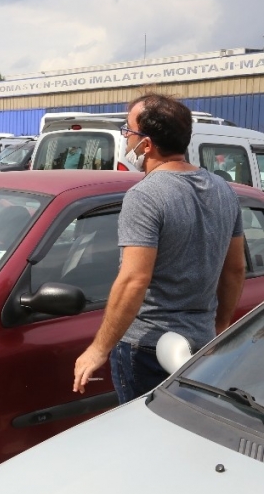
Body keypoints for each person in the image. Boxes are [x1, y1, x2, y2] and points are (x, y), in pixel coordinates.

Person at [73, 94, 246, 403]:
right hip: (200, 343)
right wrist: (219, 326)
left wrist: (98, 349)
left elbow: (134, 279)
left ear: (147, 144)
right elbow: (235, 269)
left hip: (147, 349)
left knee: (145, 438)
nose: (126, 140)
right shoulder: (223, 189)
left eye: (128, 131)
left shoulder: (145, 195)